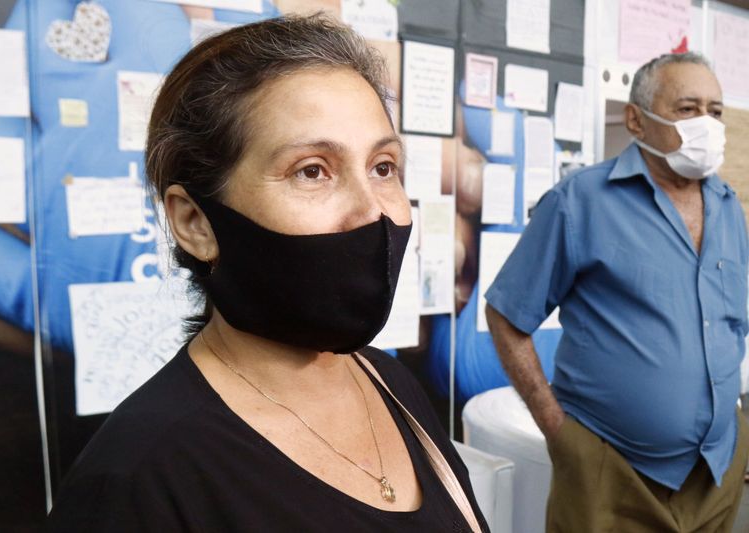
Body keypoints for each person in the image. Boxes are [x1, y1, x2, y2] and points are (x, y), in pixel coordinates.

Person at [46, 15, 488, 532]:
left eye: (383, 167)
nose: (373, 211)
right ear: (195, 223)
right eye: (312, 171)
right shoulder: (139, 479)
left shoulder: (391, 385)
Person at [485, 51, 749, 532]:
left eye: (714, 111)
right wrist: (558, 431)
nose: (706, 125)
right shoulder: (579, 201)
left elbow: (731, 327)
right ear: (636, 120)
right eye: (687, 109)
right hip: (608, 473)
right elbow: (506, 315)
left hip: (715, 471)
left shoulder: (728, 207)